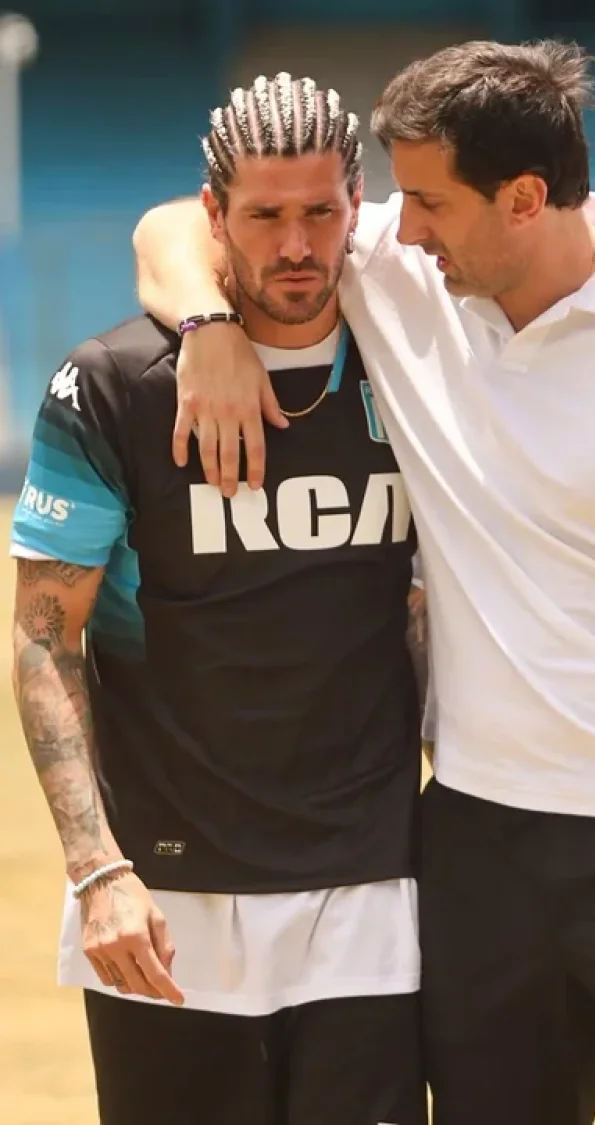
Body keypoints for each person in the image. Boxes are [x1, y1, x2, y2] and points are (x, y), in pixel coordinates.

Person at [131, 40, 595, 1125]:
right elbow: (171, 223)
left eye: (430, 203)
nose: (404, 228)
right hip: (478, 842)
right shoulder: (408, 269)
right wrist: (207, 332)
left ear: (525, 197)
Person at [11, 74, 428, 1125]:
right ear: (215, 217)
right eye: (264, 216)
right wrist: (95, 868)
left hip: (372, 888)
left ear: (359, 206)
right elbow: (42, 635)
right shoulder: (115, 386)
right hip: (167, 890)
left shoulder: (423, 362)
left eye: (322, 213)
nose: (298, 245)